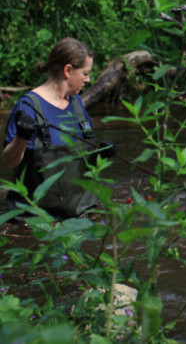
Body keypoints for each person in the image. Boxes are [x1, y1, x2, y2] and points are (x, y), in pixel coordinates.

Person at [3, 37, 116, 218]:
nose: (88, 80)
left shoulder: (77, 104)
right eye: (85, 73)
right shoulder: (28, 107)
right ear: (68, 70)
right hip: (38, 219)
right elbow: (9, 162)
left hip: (80, 213)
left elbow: (81, 162)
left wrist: (100, 154)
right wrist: (22, 138)